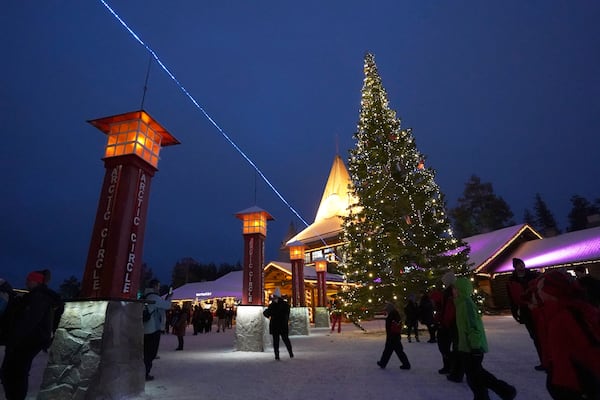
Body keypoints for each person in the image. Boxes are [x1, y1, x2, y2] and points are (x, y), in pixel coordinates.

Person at [524, 270, 600, 400]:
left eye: (541, 288)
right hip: (563, 378)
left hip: (577, 383)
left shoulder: (569, 314)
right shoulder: (553, 313)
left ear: (553, 291)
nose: (538, 292)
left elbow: (590, 347)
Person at [1, 271, 64, 400]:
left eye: (29, 280)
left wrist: (14, 339)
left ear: (35, 281)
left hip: (27, 341)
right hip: (30, 341)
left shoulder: (38, 298)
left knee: (16, 373)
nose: (26, 282)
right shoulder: (36, 296)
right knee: (13, 372)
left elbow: (29, 321)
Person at [454, 277, 517, 400]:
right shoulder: (460, 303)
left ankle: (501, 391)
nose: (453, 291)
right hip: (467, 347)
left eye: (455, 289)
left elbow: (473, 326)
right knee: (477, 375)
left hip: (472, 348)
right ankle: (504, 391)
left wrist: (475, 347)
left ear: (461, 290)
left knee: (475, 377)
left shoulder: (466, 304)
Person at [506, 257, 543, 371]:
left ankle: (551, 359)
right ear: (515, 267)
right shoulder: (512, 281)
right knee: (535, 336)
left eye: (522, 264)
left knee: (543, 334)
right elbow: (512, 298)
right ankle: (544, 360)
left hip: (537, 308)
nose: (521, 266)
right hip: (525, 311)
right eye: (519, 265)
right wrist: (514, 312)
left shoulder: (533, 276)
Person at [436, 271, 464, 383]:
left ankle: (454, 368)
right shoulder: (447, 291)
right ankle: (449, 366)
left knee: (448, 346)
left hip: (450, 323)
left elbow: (449, 309)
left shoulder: (451, 292)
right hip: (447, 322)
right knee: (447, 346)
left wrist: (444, 321)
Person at [143, 279, 172, 381]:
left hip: (144, 328)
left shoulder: (145, 296)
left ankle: (143, 372)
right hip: (153, 328)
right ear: (155, 286)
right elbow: (167, 306)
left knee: (145, 351)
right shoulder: (154, 297)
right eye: (158, 286)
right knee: (150, 353)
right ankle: (145, 373)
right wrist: (169, 298)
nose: (159, 288)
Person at [377, 302, 410, 370]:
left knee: (393, 351)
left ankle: (406, 364)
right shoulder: (394, 314)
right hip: (394, 336)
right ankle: (383, 363)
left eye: (387, 309)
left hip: (393, 336)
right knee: (392, 350)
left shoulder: (393, 314)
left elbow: (393, 325)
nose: (386, 311)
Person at [263, 287, 293, 360]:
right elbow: (288, 314)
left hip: (275, 325)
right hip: (283, 325)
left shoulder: (272, 305)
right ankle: (290, 353)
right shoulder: (285, 305)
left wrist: (270, 315)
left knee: (276, 341)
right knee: (286, 339)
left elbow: (266, 313)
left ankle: (277, 355)